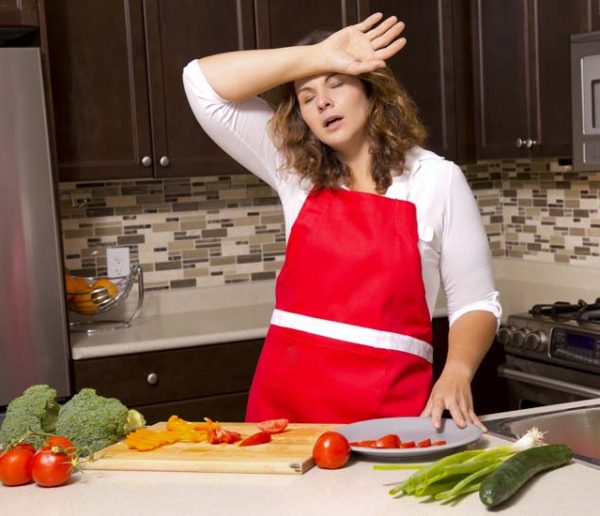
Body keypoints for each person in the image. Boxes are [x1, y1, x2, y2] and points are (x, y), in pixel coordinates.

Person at [183, 13, 501, 431]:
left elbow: (476, 302)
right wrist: (316, 56)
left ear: (372, 91)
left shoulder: (437, 180)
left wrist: (457, 370)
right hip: (285, 420)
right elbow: (201, 82)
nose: (323, 102)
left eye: (336, 84)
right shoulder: (294, 169)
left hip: (388, 419)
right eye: (307, 94)